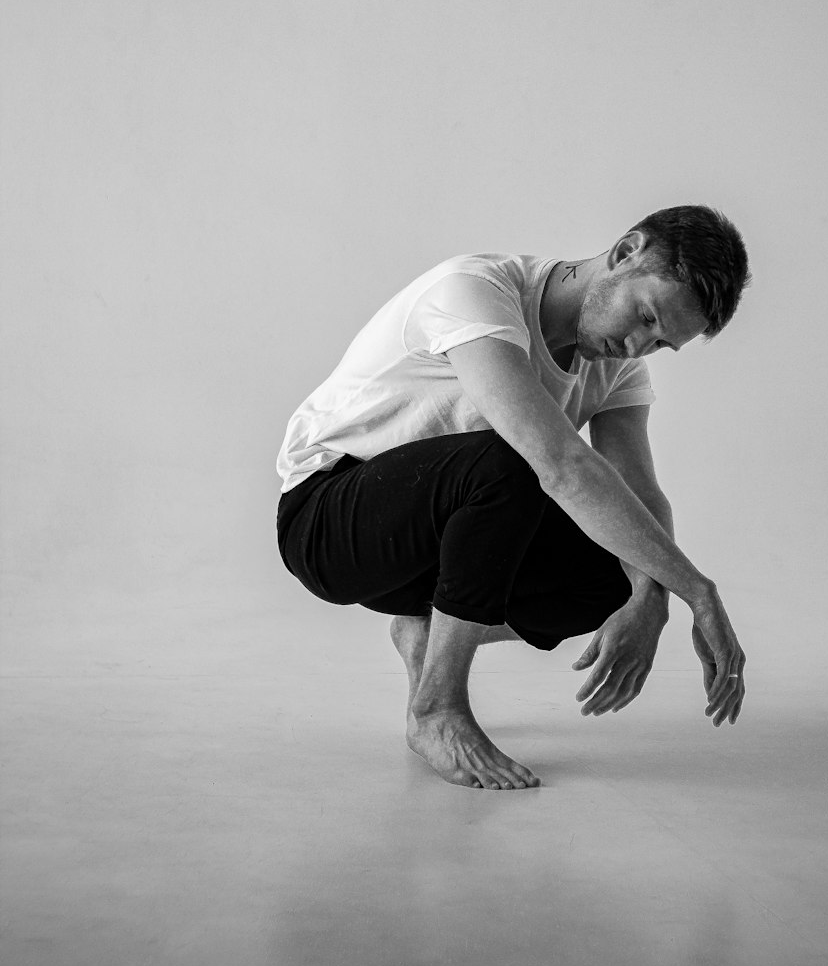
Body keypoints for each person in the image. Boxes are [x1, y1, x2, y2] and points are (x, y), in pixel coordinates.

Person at [276, 204, 750, 791]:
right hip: (327, 521)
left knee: (616, 572)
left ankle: (425, 628)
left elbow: (640, 493)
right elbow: (556, 462)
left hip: (434, 548)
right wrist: (698, 590)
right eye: (645, 315)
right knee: (516, 458)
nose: (635, 345)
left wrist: (652, 596)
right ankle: (436, 710)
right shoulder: (475, 292)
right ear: (628, 251)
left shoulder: (616, 368)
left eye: (659, 342)